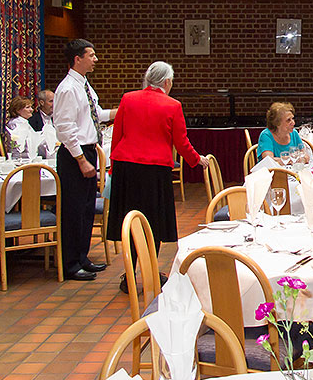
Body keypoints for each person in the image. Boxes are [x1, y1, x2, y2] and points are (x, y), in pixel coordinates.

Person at [107, 61, 202, 294]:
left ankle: (129, 273)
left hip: (126, 167)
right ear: (167, 82)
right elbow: (181, 142)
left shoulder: (128, 99)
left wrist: (112, 167)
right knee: (153, 222)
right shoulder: (173, 105)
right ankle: (150, 272)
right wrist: (197, 159)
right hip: (154, 170)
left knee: (129, 219)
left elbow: (117, 134)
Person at [54, 39, 117, 281]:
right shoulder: (68, 88)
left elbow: (96, 114)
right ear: (77, 58)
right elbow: (65, 128)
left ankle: (82, 256)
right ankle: (70, 264)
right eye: (91, 55)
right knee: (73, 210)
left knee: (87, 210)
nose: (95, 59)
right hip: (74, 154)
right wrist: (81, 160)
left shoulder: (85, 86)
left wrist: (120, 111)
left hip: (88, 150)